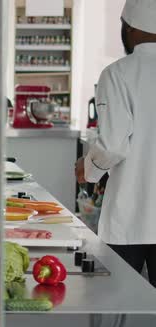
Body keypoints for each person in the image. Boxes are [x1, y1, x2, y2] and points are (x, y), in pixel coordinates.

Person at [75, 0, 156, 286]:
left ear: (130, 28)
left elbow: (112, 146)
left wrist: (88, 169)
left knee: (117, 307)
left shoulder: (118, 73)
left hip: (131, 219)